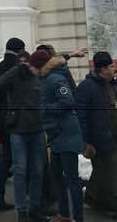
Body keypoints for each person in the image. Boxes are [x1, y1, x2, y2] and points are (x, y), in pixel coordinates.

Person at [76, 52, 117, 220]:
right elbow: (81, 116)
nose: (113, 69)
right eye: (109, 67)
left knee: (103, 171)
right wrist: (85, 141)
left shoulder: (113, 85)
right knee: (111, 173)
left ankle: (93, 197)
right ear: (102, 69)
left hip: (116, 137)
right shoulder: (87, 87)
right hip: (99, 139)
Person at [30, 49, 84, 222]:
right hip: (56, 134)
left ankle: (78, 216)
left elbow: (67, 102)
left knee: (71, 179)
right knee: (56, 177)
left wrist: (45, 109)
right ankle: (64, 214)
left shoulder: (56, 79)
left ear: (39, 66)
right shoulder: (46, 78)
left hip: (66, 133)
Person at [0, 50, 48, 222]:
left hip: (37, 129)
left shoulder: (37, 76)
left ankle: (34, 207)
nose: (25, 64)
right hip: (18, 130)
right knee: (19, 171)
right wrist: (15, 69)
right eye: (21, 61)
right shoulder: (13, 76)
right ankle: (21, 210)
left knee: (37, 171)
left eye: (27, 61)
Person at [0, 37, 27, 214]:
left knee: (5, 159)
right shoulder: (17, 67)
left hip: (4, 120)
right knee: (14, 161)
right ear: (20, 50)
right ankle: (25, 201)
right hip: (17, 119)